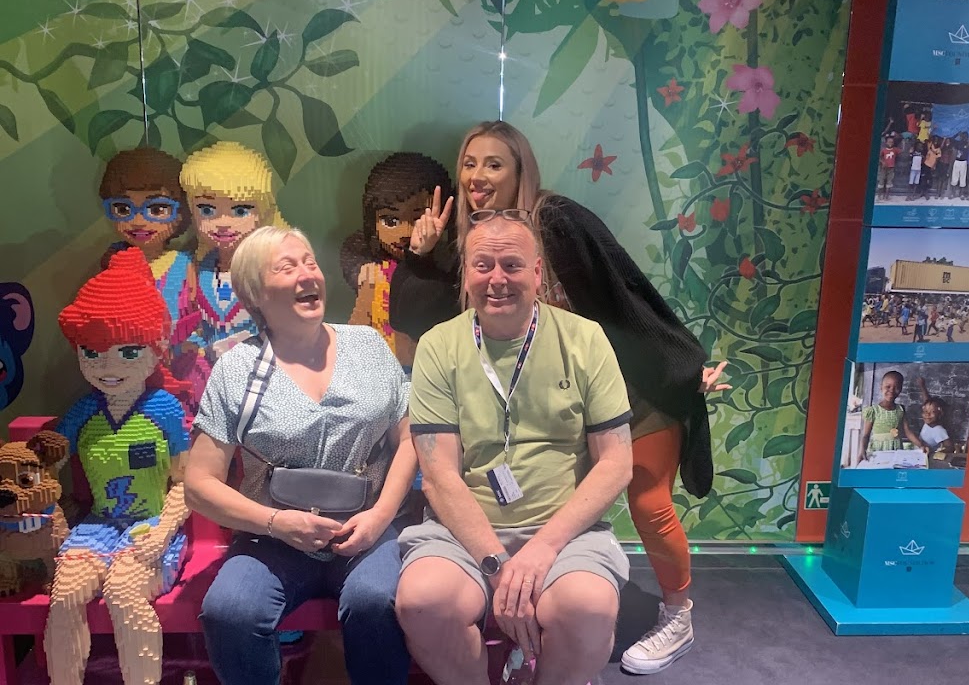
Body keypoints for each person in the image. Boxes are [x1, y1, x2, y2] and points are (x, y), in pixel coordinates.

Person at [390, 121, 730, 675]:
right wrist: (419, 258)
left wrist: (681, 362)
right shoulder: (469, 239)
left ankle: (678, 613)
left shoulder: (556, 220)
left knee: (647, 503)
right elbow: (422, 318)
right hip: (535, 399)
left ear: (521, 169)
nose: (478, 175)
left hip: (629, 385)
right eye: (470, 162)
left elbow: (625, 288)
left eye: (494, 163)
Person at [395, 213, 634, 685]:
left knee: (588, 607)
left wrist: (542, 549)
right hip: (462, 533)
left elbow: (616, 462)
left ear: (538, 273)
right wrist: (499, 567)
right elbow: (439, 474)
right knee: (423, 602)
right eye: (483, 265)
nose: (497, 279)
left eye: (512, 265)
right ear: (466, 273)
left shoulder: (585, 339)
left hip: (564, 532)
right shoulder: (439, 346)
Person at [184, 227, 416, 685]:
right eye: (286, 267)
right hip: (274, 538)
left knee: (374, 600)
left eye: (309, 262)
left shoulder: (369, 347)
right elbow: (199, 484)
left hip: (368, 531)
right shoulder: (236, 369)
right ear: (255, 293)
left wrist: (380, 516)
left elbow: (409, 439)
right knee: (230, 610)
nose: (307, 274)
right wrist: (276, 523)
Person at [46, 249, 191, 685]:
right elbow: (46, 463)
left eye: (128, 352)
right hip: (98, 526)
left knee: (125, 592)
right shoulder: (83, 413)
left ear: (155, 349)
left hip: (153, 526)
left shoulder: (164, 411)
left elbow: (187, 482)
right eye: (92, 353)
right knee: (66, 593)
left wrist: (164, 531)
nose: (108, 368)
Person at [98, 147, 204, 419]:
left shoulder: (182, 264)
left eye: (157, 209)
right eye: (123, 208)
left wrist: (191, 343)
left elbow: (196, 316)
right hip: (126, 372)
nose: (138, 221)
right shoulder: (114, 262)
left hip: (177, 370)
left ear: (181, 213)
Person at [340, 151, 453, 368]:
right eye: (390, 221)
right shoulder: (373, 275)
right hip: (379, 368)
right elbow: (358, 328)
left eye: (418, 219)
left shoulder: (443, 271)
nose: (404, 233)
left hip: (429, 369)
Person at [180, 141, 286, 365]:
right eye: (207, 210)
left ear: (263, 210)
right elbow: (193, 325)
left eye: (240, 210)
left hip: (261, 370)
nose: (222, 223)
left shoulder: (270, 269)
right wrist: (198, 350)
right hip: (209, 373)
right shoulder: (199, 268)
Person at [857, 370, 925, 464]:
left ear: (900, 389)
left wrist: (921, 445)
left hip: (896, 450)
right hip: (878, 450)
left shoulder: (900, 409)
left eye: (896, 387)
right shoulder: (873, 411)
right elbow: (866, 435)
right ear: (881, 387)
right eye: (888, 387)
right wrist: (862, 450)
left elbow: (908, 432)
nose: (892, 390)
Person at [916, 377, 952, 455]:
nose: (927, 414)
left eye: (932, 412)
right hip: (919, 453)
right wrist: (922, 386)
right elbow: (927, 401)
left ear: (940, 413)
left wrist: (937, 453)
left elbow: (949, 446)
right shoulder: (928, 423)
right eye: (925, 411)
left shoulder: (939, 430)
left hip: (928, 456)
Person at [877, 136, 897, 201]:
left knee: (889, 182)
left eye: (892, 142)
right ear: (886, 142)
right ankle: (879, 195)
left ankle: (886, 196)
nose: (890, 143)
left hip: (891, 168)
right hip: (883, 168)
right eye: (889, 142)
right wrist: (882, 162)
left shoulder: (895, 149)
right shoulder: (883, 150)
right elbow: (879, 157)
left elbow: (902, 151)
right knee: (881, 181)